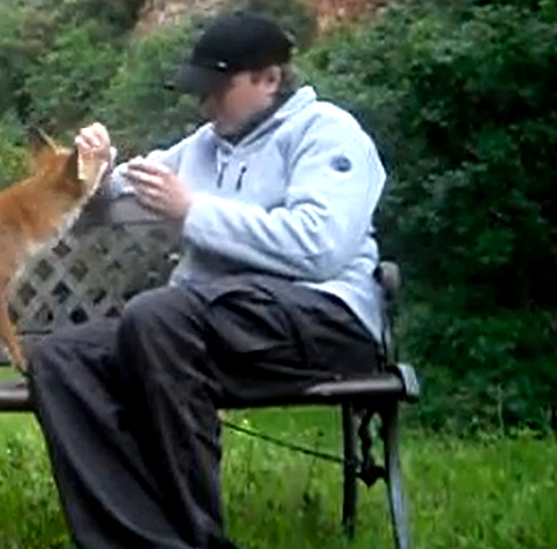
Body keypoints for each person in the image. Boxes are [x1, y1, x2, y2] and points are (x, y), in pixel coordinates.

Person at [25, 10, 389, 549]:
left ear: (269, 78)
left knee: (157, 315)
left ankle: (199, 540)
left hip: (321, 318)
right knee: (61, 357)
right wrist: (93, 167)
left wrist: (192, 209)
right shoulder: (202, 145)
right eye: (201, 89)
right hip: (204, 327)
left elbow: (321, 247)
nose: (204, 102)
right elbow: (112, 192)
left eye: (218, 88)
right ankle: (141, 541)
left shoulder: (328, 133)